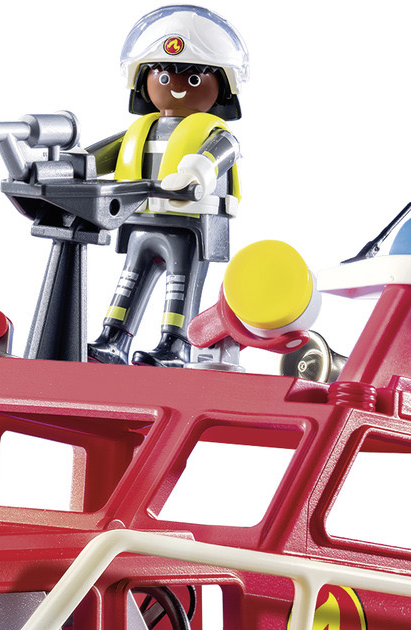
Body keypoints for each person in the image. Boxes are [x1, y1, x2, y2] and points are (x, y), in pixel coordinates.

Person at [85, 6, 247, 368]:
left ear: (221, 87)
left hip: (189, 225)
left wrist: (197, 171)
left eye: (194, 79)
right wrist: (68, 166)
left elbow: (221, 154)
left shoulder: (213, 132)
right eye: (162, 75)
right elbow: (94, 158)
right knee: (129, 281)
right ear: (143, 80)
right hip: (139, 218)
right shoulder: (139, 131)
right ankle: (113, 340)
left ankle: (175, 346)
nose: (175, 85)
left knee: (181, 287)